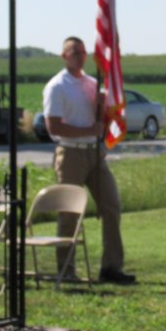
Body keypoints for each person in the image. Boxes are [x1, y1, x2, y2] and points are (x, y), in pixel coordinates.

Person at [42, 36, 136, 284]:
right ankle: (67, 269)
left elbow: (101, 119)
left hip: (95, 153)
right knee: (70, 212)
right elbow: (53, 126)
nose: (80, 56)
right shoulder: (57, 86)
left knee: (111, 205)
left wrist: (104, 110)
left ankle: (111, 266)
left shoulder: (93, 83)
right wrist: (89, 131)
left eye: (83, 52)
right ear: (64, 56)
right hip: (70, 153)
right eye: (74, 52)